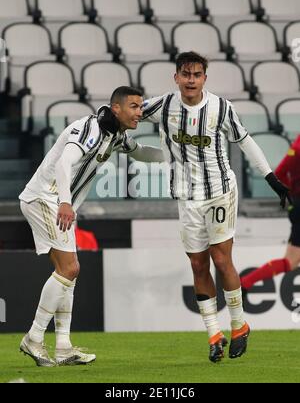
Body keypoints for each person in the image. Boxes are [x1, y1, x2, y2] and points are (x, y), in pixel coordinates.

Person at [142, 52, 290, 363]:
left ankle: (239, 325)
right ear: (176, 77)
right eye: (186, 74)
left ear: (205, 78)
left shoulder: (221, 108)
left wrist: (271, 178)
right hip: (186, 197)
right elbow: (128, 112)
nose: (191, 80)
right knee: (198, 265)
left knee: (221, 261)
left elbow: (246, 141)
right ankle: (213, 334)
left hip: (220, 192)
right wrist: (105, 121)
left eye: (197, 74)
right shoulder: (163, 105)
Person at [19, 86, 165, 367]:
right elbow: (64, 163)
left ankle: (63, 347)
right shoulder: (91, 129)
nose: (140, 112)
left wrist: (174, 154)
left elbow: (142, 153)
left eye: (140, 106)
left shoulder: (116, 135)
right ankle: (34, 337)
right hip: (46, 199)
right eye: (134, 107)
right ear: (116, 109)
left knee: (68, 273)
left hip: (57, 203)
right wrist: (64, 202)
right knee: (70, 269)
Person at [241, 135, 299, 291]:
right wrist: (293, 194)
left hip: (297, 206)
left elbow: (280, 173)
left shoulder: (297, 147)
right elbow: (279, 173)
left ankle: (246, 282)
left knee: (290, 262)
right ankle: (245, 282)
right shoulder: (298, 149)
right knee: (291, 261)